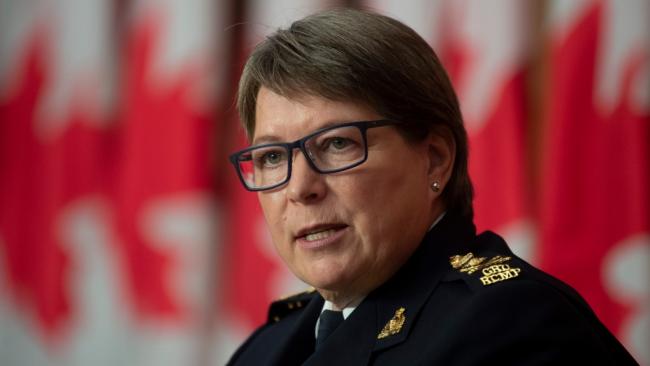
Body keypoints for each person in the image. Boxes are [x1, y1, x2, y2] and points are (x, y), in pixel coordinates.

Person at [226, 8, 638, 366]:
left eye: (337, 144)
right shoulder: (268, 346)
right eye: (273, 157)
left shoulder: (513, 327)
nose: (300, 188)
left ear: (435, 158)